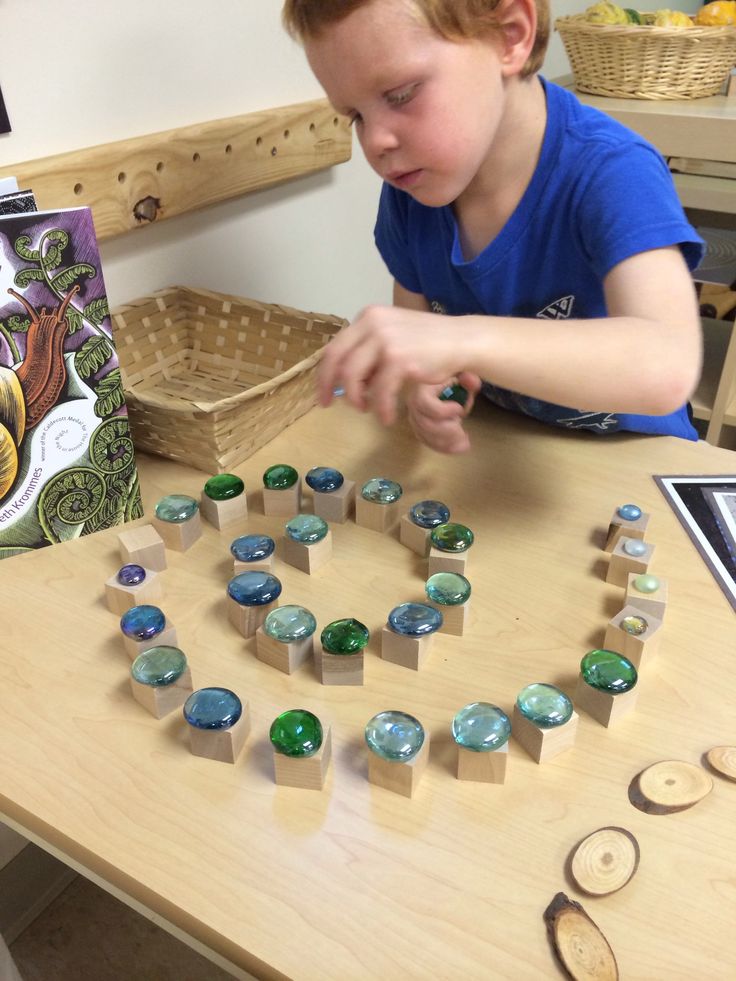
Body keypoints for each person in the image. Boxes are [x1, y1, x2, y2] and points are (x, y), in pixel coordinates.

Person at [282, 0, 705, 453]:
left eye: (401, 94)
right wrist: (430, 393)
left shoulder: (612, 172)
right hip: (503, 450)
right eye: (356, 117)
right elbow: (425, 346)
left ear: (510, 36)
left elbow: (666, 364)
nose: (376, 142)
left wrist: (461, 338)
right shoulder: (413, 192)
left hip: (636, 459)